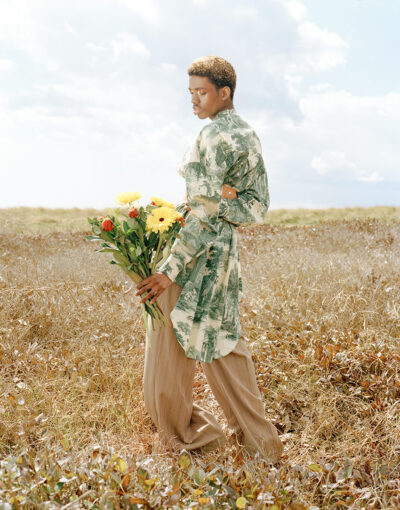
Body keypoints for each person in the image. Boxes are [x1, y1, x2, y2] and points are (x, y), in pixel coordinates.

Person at [135, 55, 283, 463]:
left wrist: (168, 270)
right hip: (224, 261)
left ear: (225, 93)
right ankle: (262, 448)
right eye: (190, 94)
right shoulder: (249, 135)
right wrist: (225, 202)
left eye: (202, 93)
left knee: (166, 351)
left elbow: (200, 213)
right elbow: (257, 208)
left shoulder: (213, 138)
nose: (195, 101)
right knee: (225, 346)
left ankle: (192, 439)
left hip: (193, 255)